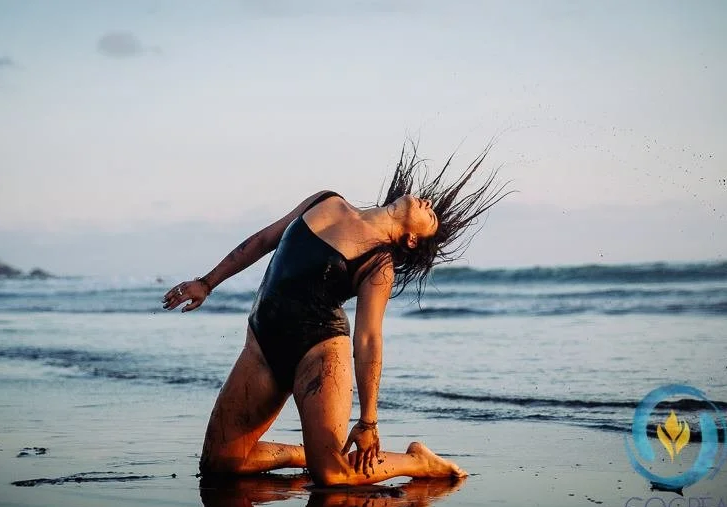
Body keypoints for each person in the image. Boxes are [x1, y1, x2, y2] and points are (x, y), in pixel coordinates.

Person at [162, 145, 509, 486]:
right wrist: (207, 282)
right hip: (262, 346)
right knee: (219, 464)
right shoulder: (326, 200)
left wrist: (369, 422)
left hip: (319, 353)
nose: (427, 203)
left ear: (413, 239)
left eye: (429, 216)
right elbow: (265, 239)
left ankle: (417, 461)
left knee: (331, 474)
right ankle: (308, 452)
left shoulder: (379, 264)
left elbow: (369, 338)